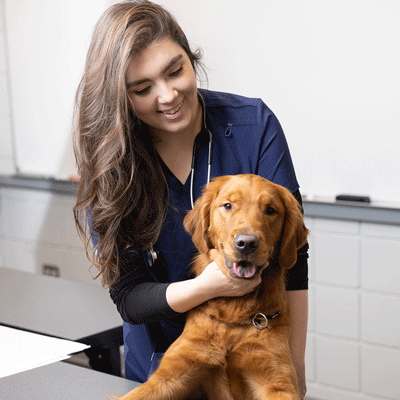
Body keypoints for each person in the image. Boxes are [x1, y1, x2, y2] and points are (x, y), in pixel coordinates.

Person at [73, 1, 309, 398]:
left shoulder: (254, 126)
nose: (167, 96)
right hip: (159, 362)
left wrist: (296, 365)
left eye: (175, 70)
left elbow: (294, 259)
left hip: (257, 342)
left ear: (189, 55)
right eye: (142, 89)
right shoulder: (113, 164)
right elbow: (130, 296)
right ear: (121, 97)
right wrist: (208, 286)